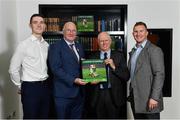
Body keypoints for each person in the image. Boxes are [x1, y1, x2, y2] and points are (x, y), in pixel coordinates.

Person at [9, 14, 50, 119]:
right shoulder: (23, 45)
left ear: (45, 26)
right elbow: (13, 69)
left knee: (44, 117)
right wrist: (19, 85)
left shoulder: (46, 45)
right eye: (35, 22)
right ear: (30, 25)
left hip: (45, 86)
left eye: (41, 22)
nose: (39, 25)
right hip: (30, 88)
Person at [84, 32, 130, 119]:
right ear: (98, 42)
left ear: (110, 41)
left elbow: (126, 76)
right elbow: (88, 77)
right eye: (101, 41)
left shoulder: (119, 56)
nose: (104, 43)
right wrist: (90, 81)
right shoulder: (91, 57)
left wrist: (114, 67)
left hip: (114, 96)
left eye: (106, 40)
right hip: (97, 95)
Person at [48, 22, 87, 119]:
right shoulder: (55, 46)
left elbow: (82, 66)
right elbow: (56, 69)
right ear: (63, 32)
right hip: (63, 94)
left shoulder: (79, 46)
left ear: (76, 32)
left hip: (79, 94)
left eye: (73, 30)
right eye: (68, 30)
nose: (71, 33)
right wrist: (74, 80)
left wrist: (90, 76)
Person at [128, 21, 165, 119]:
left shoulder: (154, 50)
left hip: (150, 99)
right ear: (133, 34)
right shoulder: (133, 51)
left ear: (146, 33)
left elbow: (159, 74)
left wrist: (154, 97)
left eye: (141, 31)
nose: (138, 34)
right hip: (136, 98)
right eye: (135, 31)